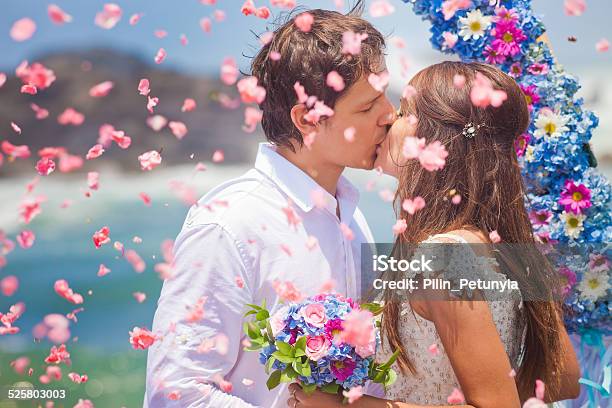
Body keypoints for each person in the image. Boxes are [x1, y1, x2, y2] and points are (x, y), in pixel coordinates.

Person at [143, 3, 395, 407]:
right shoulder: (229, 225)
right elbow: (175, 393)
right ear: (308, 118)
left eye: (384, 97)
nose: (390, 115)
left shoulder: (350, 211)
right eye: (367, 106)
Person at [287, 62, 580, 407]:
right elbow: (563, 377)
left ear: (435, 138)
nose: (388, 118)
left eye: (404, 111)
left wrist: (348, 405)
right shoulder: (498, 241)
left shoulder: (442, 258)